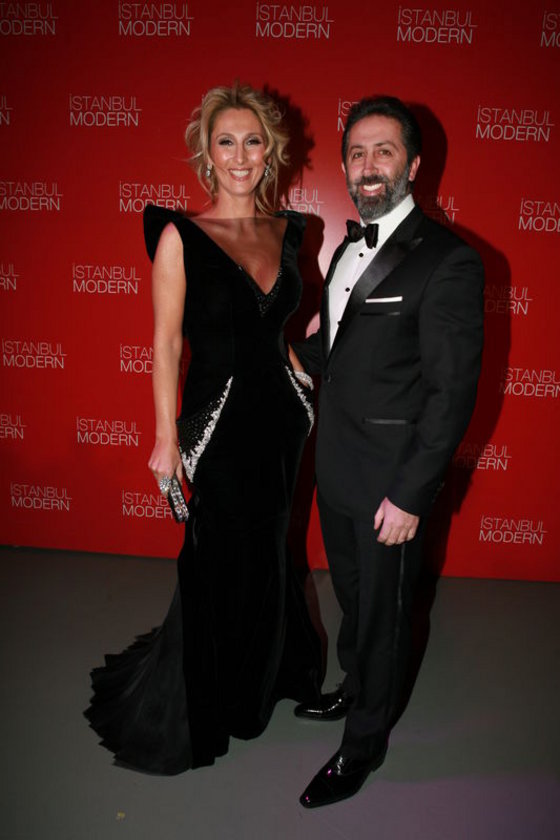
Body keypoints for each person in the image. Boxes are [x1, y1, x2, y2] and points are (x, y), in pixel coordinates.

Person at [85, 83, 321, 774]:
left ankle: (266, 676)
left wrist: (295, 367)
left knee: (271, 549)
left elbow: (274, 324)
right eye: (227, 142)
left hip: (281, 420)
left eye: (253, 142)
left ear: (270, 151)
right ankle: (210, 695)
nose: (240, 156)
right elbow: (165, 344)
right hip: (216, 422)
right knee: (218, 556)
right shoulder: (179, 236)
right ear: (206, 154)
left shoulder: (290, 230)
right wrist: (165, 437)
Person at [291, 95, 484, 807]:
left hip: (391, 485)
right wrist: (276, 356)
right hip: (338, 466)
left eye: (384, 151)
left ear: (414, 164)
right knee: (352, 597)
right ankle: (355, 685)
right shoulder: (347, 248)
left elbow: (450, 395)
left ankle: (363, 745)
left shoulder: (449, 261)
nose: (368, 166)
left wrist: (410, 495)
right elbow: (337, 353)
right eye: (357, 153)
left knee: (384, 616)